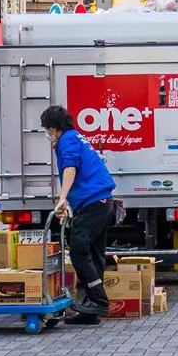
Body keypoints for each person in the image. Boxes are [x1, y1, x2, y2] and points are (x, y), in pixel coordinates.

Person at [45, 104, 116, 320]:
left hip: (95, 201)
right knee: (94, 254)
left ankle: (99, 300)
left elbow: (70, 168)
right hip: (99, 201)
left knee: (78, 248)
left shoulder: (67, 139)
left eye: (47, 130)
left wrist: (63, 198)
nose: (47, 135)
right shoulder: (75, 137)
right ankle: (91, 309)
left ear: (54, 128)